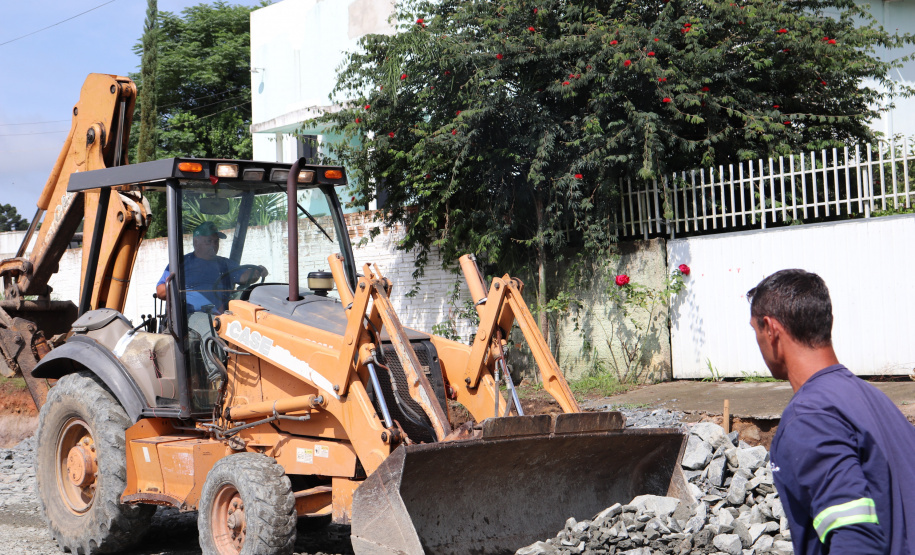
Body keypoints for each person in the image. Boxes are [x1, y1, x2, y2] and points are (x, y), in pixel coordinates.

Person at [747, 269, 915, 554]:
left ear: (771, 329)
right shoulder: (875, 400)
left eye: (755, 332)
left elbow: (856, 538)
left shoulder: (809, 417)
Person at [155, 221, 268, 313]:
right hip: (189, 318)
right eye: (209, 241)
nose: (214, 245)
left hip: (222, 317)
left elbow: (243, 276)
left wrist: (256, 272)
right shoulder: (180, 264)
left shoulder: (225, 264)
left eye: (216, 241)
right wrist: (178, 286)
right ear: (196, 242)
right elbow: (160, 291)